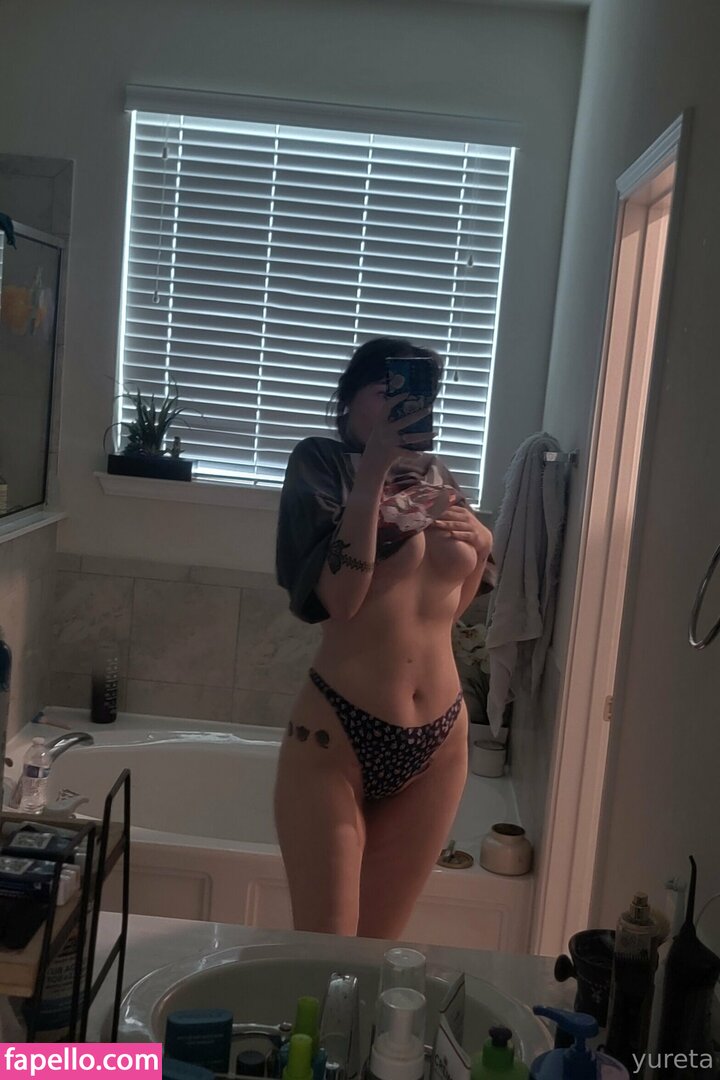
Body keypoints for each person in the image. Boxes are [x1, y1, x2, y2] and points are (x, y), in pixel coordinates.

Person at [274, 336, 494, 938]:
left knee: (378, 951)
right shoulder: (320, 463)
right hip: (337, 734)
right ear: (350, 396)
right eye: (385, 393)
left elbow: (445, 612)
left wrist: (481, 547)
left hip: (441, 741)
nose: (402, 410)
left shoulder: (435, 477)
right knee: (327, 948)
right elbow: (341, 601)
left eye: (416, 399)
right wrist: (371, 471)